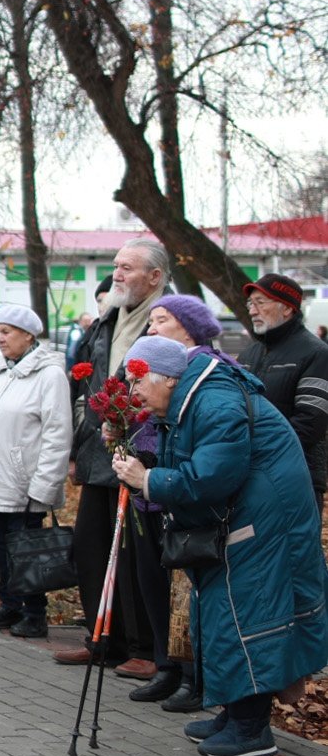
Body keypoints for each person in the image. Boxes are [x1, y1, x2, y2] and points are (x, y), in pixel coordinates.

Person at [111, 335, 328, 756]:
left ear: (168, 379)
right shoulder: (191, 398)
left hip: (265, 523)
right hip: (241, 518)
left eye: (137, 385)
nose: (133, 395)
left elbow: (213, 477)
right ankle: (233, 714)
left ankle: (251, 729)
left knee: (247, 613)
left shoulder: (214, 403)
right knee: (219, 611)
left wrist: (148, 480)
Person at [58, 240, 170, 670]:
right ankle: (103, 637)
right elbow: (82, 387)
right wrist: (75, 451)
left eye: (127, 267)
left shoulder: (164, 319)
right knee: (92, 547)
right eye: (117, 266)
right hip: (98, 450)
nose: (117, 274)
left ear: (155, 277)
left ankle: (144, 647)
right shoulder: (107, 320)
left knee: (135, 553)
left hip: (142, 454)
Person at [131, 294, 239, 704]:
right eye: (151, 320)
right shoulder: (156, 363)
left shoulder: (208, 372)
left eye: (162, 319)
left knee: (185, 591)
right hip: (149, 490)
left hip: (179, 491)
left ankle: (195, 676)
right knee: (154, 582)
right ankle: (167, 665)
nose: (152, 327)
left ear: (189, 327)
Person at [0, 305, 70, 640]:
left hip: (26, 482)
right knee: (4, 545)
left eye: (7, 332)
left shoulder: (49, 375)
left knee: (28, 549)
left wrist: (45, 484)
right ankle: (9, 603)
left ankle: (34, 613)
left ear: (28, 335)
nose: (1, 339)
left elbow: (57, 433)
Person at [240, 273, 328, 515]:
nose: (252, 310)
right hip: (249, 475)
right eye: (250, 303)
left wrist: (258, 451)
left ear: (287, 308)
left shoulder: (317, 353)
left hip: (296, 476)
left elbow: (311, 421)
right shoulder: (249, 354)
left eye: (260, 302)